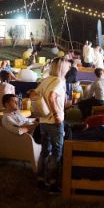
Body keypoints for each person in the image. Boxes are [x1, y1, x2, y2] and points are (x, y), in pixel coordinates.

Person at [36, 57, 70, 193]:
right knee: (57, 153)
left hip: (43, 120)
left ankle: (40, 179)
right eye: (67, 66)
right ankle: (52, 183)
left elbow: (35, 94)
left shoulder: (45, 80)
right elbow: (51, 96)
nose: (68, 69)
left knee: (45, 151)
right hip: (54, 121)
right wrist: (56, 114)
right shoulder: (59, 81)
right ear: (62, 68)